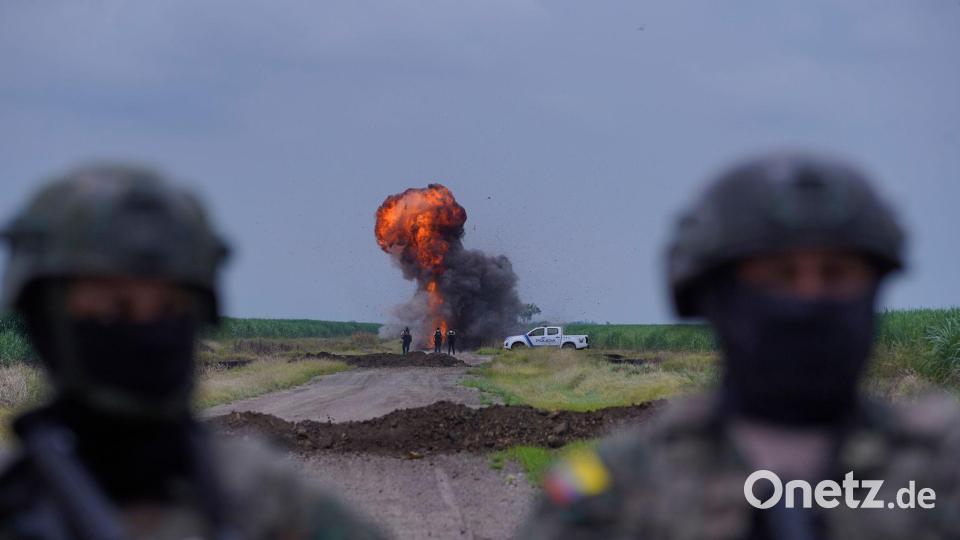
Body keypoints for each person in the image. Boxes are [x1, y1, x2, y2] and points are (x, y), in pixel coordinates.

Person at [521, 152, 960, 539]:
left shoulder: (944, 474)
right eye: (780, 275)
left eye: (836, 274)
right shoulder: (613, 500)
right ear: (714, 297)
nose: (809, 298)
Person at [0, 164, 385, 539]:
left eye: (170, 310)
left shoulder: (265, 499)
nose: (147, 331)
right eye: (116, 308)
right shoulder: (16, 503)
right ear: (45, 319)